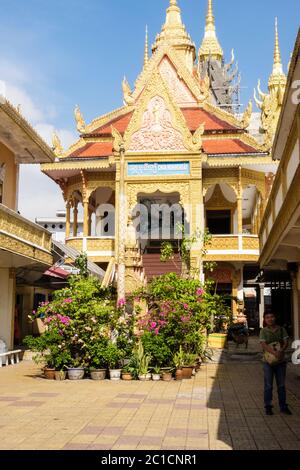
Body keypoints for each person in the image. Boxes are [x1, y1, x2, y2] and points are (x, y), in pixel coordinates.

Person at [259, 312, 292, 416]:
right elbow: (263, 344)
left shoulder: (281, 329)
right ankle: (268, 406)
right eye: (267, 317)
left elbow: (286, 341)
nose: (270, 319)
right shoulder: (263, 331)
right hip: (267, 362)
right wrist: (274, 352)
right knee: (268, 385)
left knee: (281, 385)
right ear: (264, 319)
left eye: (272, 317)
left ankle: (283, 406)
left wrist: (281, 350)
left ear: (275, 318)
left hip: (280, 362)